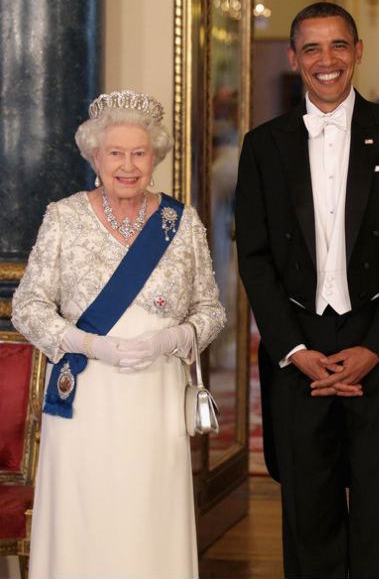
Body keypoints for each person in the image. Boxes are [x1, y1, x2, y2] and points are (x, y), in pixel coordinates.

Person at [235, 2, 379, 579]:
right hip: (298, 346)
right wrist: (294, 350)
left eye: (338, 45)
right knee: (308, 513)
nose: (327, 60)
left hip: (378, 341)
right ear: (294, 58)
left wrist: (375, 347)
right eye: (312, 48)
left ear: (358, 51)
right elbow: (254, 257)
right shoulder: (263, 144)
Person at [12, 89, 225, 579]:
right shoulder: (64, 217)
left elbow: (211, 310)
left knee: (148, 516)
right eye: (115, 153)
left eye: (139, 153)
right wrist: (90, 344)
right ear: (95, 157)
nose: (127, 166)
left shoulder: (180, 222)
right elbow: (28, 307)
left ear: (155, 158)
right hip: (87, 396)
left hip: (155, 398)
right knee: (88, 515)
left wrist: (172, 339)